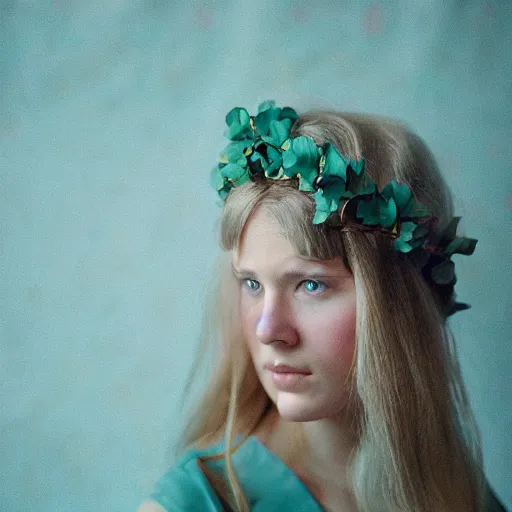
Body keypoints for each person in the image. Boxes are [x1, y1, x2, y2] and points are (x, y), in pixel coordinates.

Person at [138, 101, 506, 512]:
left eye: (311, 285)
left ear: (401, 306)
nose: (268, 330)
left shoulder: (453, 489)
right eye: (252, 284)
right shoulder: (198, 502)